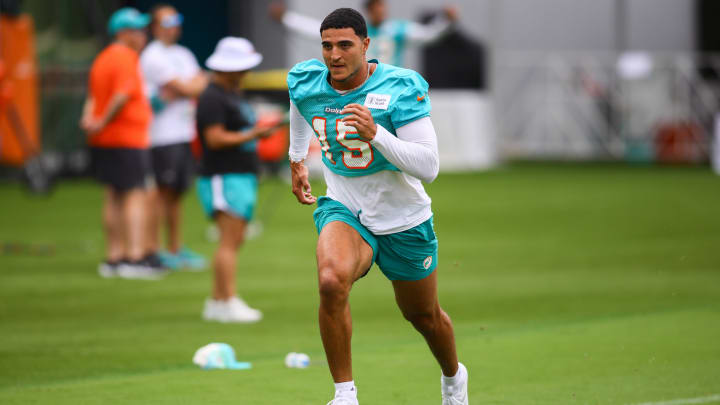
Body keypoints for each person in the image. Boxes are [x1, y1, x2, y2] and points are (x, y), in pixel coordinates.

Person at [286, 8, 467, 405]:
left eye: (345, 45)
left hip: (403, 218)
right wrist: (297, 157)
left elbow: (429, 166)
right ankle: (344, 395)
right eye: (327, 45)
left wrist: (377, 134)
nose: (334, 55)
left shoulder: (400, 87)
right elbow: (299, 104)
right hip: (344, 206)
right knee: (331, 281)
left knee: (423, 316)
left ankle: (454, 379)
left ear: (366, 46)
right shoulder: (307, 79)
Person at [195, 37, 279, 323]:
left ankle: (218, 301)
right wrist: (254, 134)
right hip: (223, 175)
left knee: (235, 238)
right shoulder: (212, 97)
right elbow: (215, 138)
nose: (245, 73)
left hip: (240, 175)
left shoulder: (232, 94)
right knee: (228, 240)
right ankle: (226, 300)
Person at [81, 7, 167, 280]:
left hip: (106, 140)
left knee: (114, 195)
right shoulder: (126, 57)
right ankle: (134, 256)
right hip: (128, 138)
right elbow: (119, 97)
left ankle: (114, 257)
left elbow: (94, 97)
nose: (142, 35)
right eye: (137, 30)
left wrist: (92, 122)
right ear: (123, 33)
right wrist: (103, 120)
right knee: (135, 194)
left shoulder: (102, 59)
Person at [140, 4, 208, 270]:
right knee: (161, 192)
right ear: (155, 27)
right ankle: (154, 248)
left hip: (183, 133)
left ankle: (175, 247)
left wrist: (185, 88)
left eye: (175, 21)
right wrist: (186, 87)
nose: (173, 27)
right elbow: (187, 86)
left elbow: (198, 84)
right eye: (166, 23)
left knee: (177, 194)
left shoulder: (183, 53)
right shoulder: (152, 56)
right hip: (161, 136)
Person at [269, 0, 458, 67]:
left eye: (382, 6)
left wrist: (445, 21)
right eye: (376, 7)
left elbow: (428, 35)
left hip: (388, 82)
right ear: (369, 9)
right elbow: (314, 29)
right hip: (360, 81)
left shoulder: (397, 30)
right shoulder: (356, 29)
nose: (381, 10)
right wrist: (287, 18)